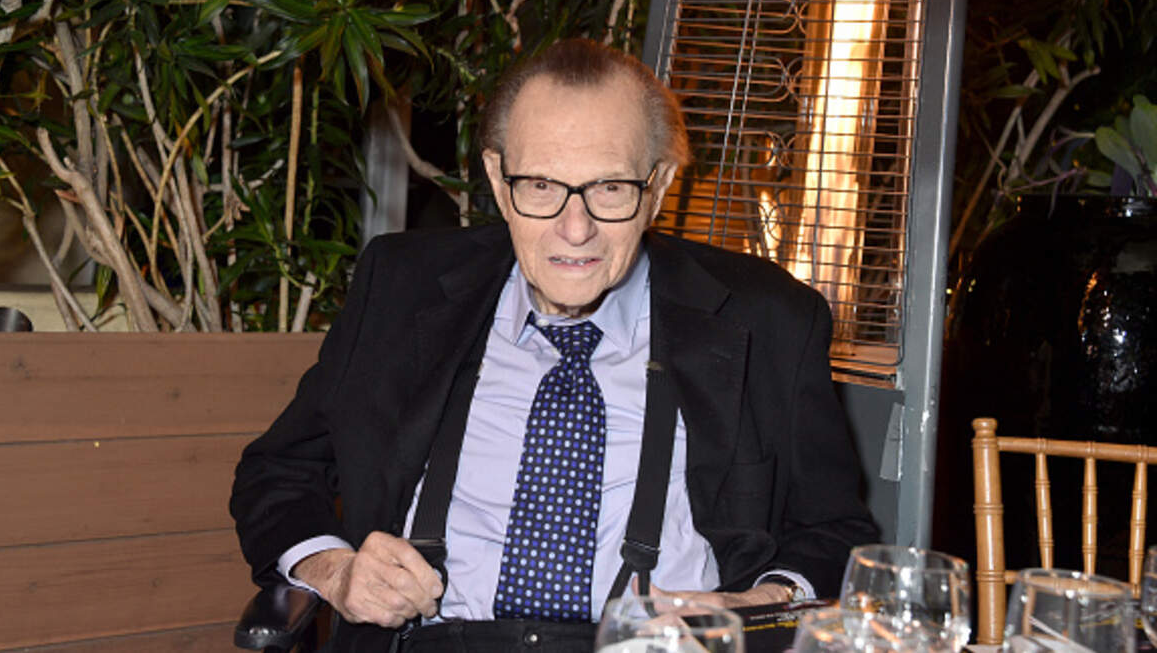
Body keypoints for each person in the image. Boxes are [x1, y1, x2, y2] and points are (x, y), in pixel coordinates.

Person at [230, 38, 877, 651]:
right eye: (541, 186)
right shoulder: (403, 287)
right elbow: (277, 472)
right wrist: (337, 569)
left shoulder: (768, 318)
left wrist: (758, 602)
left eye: (610, 188)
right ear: (498, 178)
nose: (575, 229)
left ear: (657, 186)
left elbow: (833, 531)